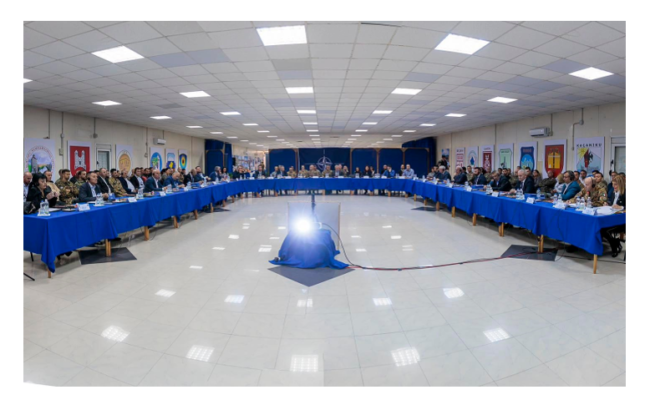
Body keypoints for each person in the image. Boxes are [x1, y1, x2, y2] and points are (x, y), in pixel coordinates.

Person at [602, 175, 626, 257]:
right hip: (612, 218)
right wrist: (607, 203)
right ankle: (616, 243)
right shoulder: (613, 192)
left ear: (621, 184)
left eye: (616, 184)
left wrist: (621, 207)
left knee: (605, 230)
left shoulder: (625, 193)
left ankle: (614, 247)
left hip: (622, 221)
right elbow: (611, 202)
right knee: (601, 228)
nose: (614, 186)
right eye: (613, 184)